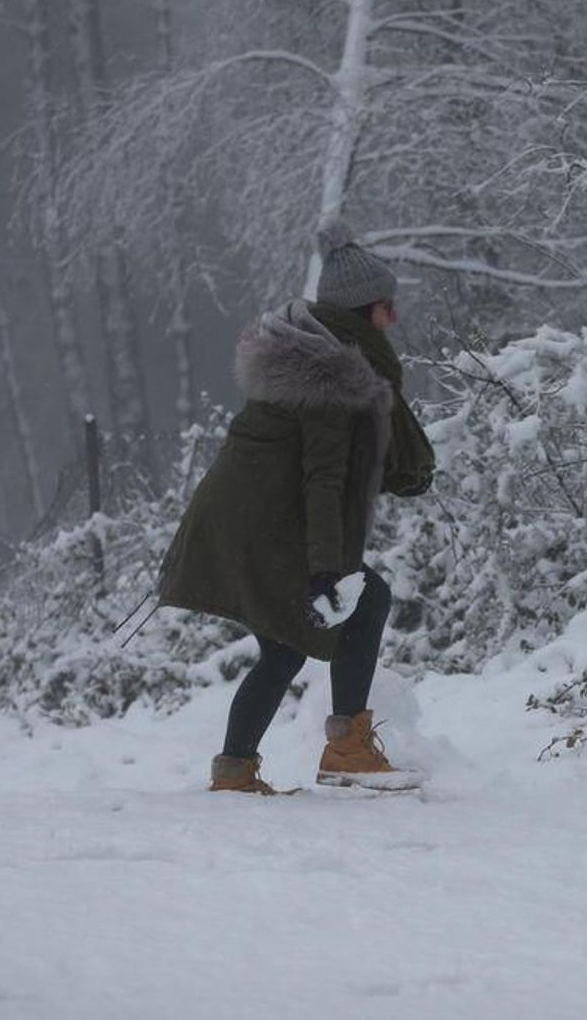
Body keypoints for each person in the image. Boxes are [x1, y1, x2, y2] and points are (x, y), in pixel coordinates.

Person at [158, 220, 436, 794]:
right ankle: (347, 751)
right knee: (364, 599)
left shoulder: (318, 358)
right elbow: (324, 481)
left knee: (284, 647)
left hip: (238, 525)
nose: (396, 319)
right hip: (256, 528)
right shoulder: (329, 378)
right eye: (388, 307)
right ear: (364, 312)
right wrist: (326, 571)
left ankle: (235, 769)